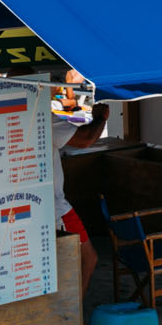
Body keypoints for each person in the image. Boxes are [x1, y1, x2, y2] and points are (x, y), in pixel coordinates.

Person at [53, 101, 109, 299]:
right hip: (56, 208)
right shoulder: (41, 117)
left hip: (35, 205)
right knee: (88, 259)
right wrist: (100, 117)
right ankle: (73, 319)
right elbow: (85, 139)